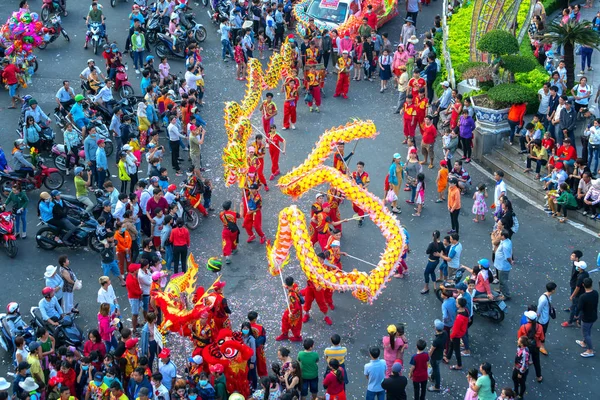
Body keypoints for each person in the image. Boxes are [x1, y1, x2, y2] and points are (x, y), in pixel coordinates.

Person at [517, 311, 544, 383]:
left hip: (526, 347)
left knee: (523, 361)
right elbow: (542, 338)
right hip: (535, 346)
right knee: (537, 362)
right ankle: (539, 376)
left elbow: (519, 337)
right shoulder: (540, 327)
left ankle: (521, 375)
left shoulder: (523, 327)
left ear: (528, 319)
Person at [275, 276, 303, 342]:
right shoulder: (295, 285)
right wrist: (287, 287)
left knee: (294, 324)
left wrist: (292, 314)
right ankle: (285, 334)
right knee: (285, 319)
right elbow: (292, 288)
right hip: (291, 307)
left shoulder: (292, 296)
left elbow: (297, 307)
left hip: (295, 310)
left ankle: (297, 337)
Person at [577, 277, 598, 358]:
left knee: (586, 333)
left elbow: (579, 308)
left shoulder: (583, 297)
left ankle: (590, 350)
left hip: (586, 317)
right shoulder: (595, 293)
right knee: (588, 330)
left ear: (583, 285)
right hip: (593, 315)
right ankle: (584, 343)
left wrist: (576, 315)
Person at [537, 282, 557, 355]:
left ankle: (539, 344)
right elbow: (539, 309)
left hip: (546, 318)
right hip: (542, 320)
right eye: (554, 289)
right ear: (552, 290)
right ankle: (541, 346)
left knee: (542, 333)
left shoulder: (548, 296)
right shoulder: (543, 299)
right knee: (542, 334)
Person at [494, 229, 514, 299]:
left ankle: (506, 295)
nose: (499, 235)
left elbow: (507, 257)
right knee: (501, 279)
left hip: (503, 266)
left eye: (500, 234)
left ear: (503, 236)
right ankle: (501, 290)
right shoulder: (506, 241)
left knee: (503, 281)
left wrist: (511, 261)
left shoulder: (506, 245)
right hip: (500, 264)